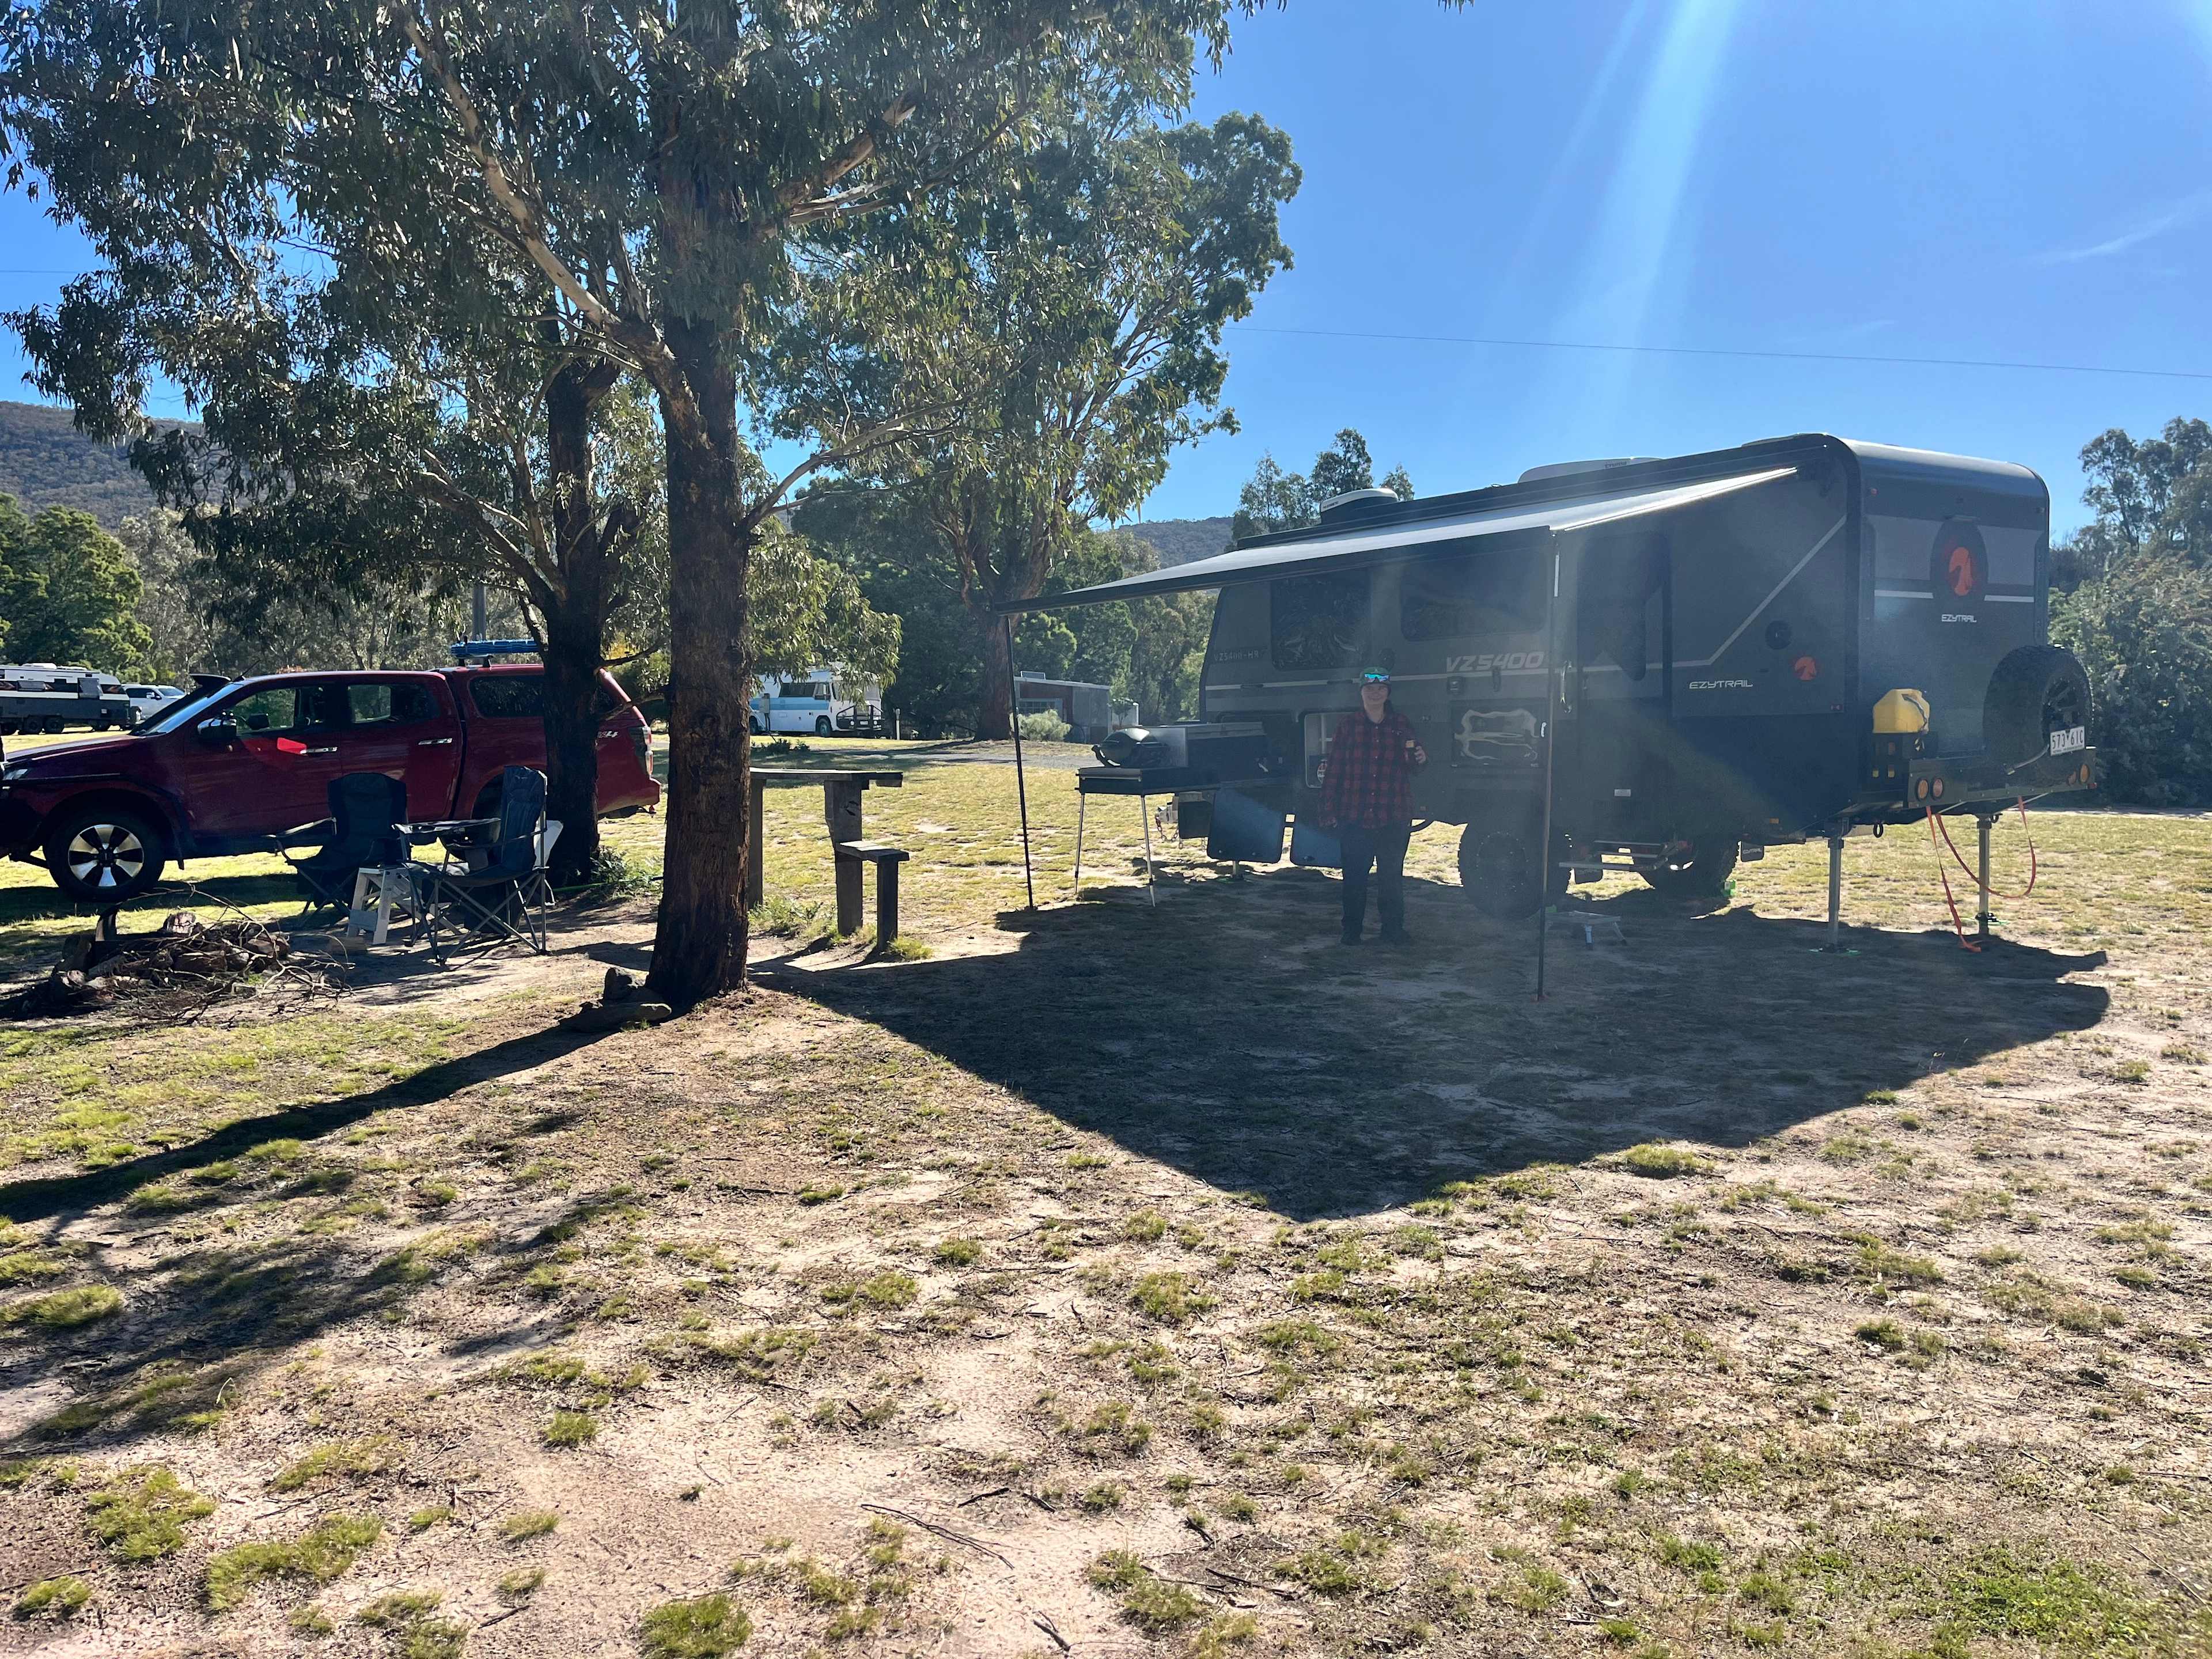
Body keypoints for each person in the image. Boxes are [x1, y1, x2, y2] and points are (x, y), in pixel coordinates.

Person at [1316, 668, 1426, 946]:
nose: (1375, 693)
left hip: (1394, 815)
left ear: (1388, 693)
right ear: (1361, 693)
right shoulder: (1348, 726)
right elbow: (1334, 769)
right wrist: (1328, 809)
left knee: (1391, 878)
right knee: (1354, 878)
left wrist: (1421, 758)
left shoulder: (1401, 724)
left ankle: (1393, 931)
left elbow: (1414, 767)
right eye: (1370, 689)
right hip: (1355, 815)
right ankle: (1351, 932)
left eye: (1381, 689)